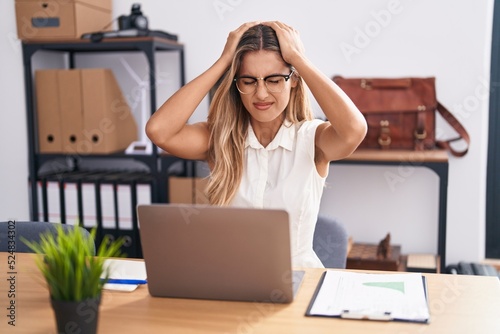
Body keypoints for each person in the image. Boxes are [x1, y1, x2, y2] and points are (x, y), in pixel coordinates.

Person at [146, 21, 367, 268]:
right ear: (236, 83)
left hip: (298, 282)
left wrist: (298, 59)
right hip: (232, 279)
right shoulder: (220, 139)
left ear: (293, 80)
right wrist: (223, 62)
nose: (261, 94)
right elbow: (159, 131)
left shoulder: (312, 139)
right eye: (249, 81)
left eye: (273, 80)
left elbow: (354, 130)